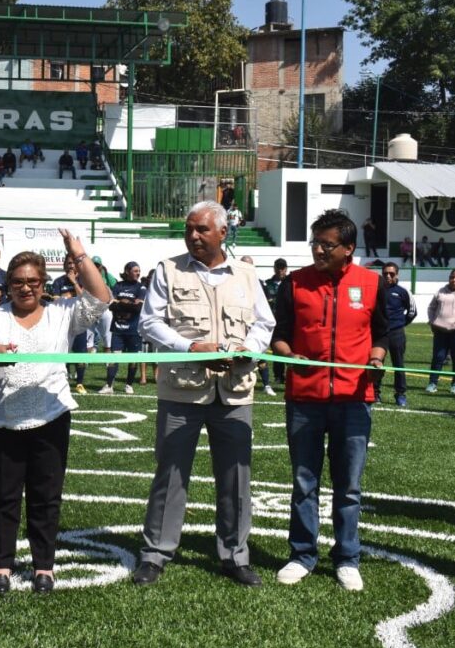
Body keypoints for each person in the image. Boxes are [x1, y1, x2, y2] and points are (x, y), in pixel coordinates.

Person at [0, 233, 111, 595]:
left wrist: (80, 255)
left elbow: (101, 299)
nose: (25, 288)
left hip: (51, 416)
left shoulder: (63, 313)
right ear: (8, 284)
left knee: (46, 495)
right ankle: (1, 566)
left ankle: (44, 566)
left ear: (43, 284)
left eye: (32, 282)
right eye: (18, 282)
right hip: (1, 419)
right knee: (3, 495)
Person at [132, 200, 275, 588]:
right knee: (170, 473)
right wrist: (188, 348)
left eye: (202, 230)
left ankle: (235, 555)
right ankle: (155, 553)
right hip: (182, 391)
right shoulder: (168, 270)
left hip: (234, 393)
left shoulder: (246, 274)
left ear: (223, 233)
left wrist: (250, 349)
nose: (193, 236)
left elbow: (265, 323)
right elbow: (149, 322)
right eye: (189, 229)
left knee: (236, 478)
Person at [271, 209, 387, 592]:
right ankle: (302, 554)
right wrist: (290, 355)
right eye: (315, 242)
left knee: (348, 486)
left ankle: (347, 558)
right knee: (304, 481)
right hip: (305, 398)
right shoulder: (295, 283)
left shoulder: (371, 283)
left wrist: (376, 358)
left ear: (348, 248)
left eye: (327, 244)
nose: (318, 250)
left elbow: (382, 333)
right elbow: (280, 333)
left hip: (355, 399)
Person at [101, 261, 145, 395]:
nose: (138, 273)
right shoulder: (118, 286)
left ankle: (129, 385)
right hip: (118, 329)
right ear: (127, 271)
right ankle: (109, 385)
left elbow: (138, 308)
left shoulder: (141, 287)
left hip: (133, 330)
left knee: (133, 359)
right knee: (114, 358)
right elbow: (111, 306)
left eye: (139, 270)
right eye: (135, 271)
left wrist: (121, 302)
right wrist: (130, 303)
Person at [49, 255, 90, 394]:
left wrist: (74, 283)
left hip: (78, 321)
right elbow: (56, 301)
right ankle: (63, 380)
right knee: (63, 352)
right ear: (64, 265)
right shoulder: (58, 282)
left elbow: (84, 299)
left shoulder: (83, 280)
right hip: (62, 323)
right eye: (68, 263)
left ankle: (79, 383)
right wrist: (69, 297)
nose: (71, 266)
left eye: (73, 263)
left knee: (80, 354)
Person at [376, 263, 415, 406]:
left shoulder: (403, 292)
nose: (388, 276)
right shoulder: (377, 290)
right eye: (385, 273)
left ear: (397, 275)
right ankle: (375, 393)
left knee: (398, 364)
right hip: (380, 334)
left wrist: (400, 324)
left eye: (391, 274)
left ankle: (400, 394)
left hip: (396, 334)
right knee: (377, 363)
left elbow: (412, 312)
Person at [257, 258, 289, 395]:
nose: (280, 270)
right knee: (267, 350)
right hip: (269, 322)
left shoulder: (289, 283)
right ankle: (276, 377)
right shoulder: (267, 284)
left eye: (283, 268)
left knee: (284, 349)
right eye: (278, 267)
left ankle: (284, 376)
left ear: (286, 269)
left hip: (284, 322)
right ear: (274, 268)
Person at [425, 269, 455, 394]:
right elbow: (431, 308)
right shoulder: (440, 292)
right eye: (452, 277)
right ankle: (432, 383)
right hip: (440, 330)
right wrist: (432, 321)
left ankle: (454, 385)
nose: (453, 280)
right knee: (438, 357)